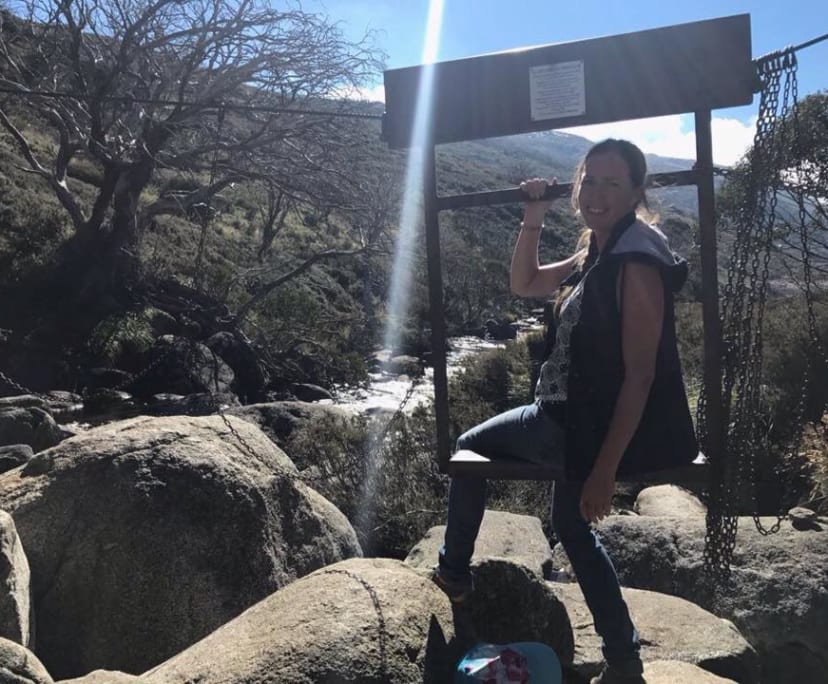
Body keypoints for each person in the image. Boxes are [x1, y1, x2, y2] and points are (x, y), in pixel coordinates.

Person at [432, 138, 698, 684]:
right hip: (579, 420)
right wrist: (533, 217)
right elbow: (524, 283)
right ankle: (623, 661)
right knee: (573, 531)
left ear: (636, 192)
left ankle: (452, 572)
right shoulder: (599, 250)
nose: (596, 192)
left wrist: (604, 472)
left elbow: (641, 375)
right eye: (588, 180)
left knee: (467, 450)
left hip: (566, 423)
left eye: (612, 183)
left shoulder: (635, 262)